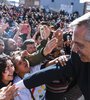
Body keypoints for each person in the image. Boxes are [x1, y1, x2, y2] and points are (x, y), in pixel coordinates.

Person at [15, 12, 90, 100]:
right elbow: (52, 72)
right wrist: (15, 87)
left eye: (80, 45)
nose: (74, 49)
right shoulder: (77, 56)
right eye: (73, 43)